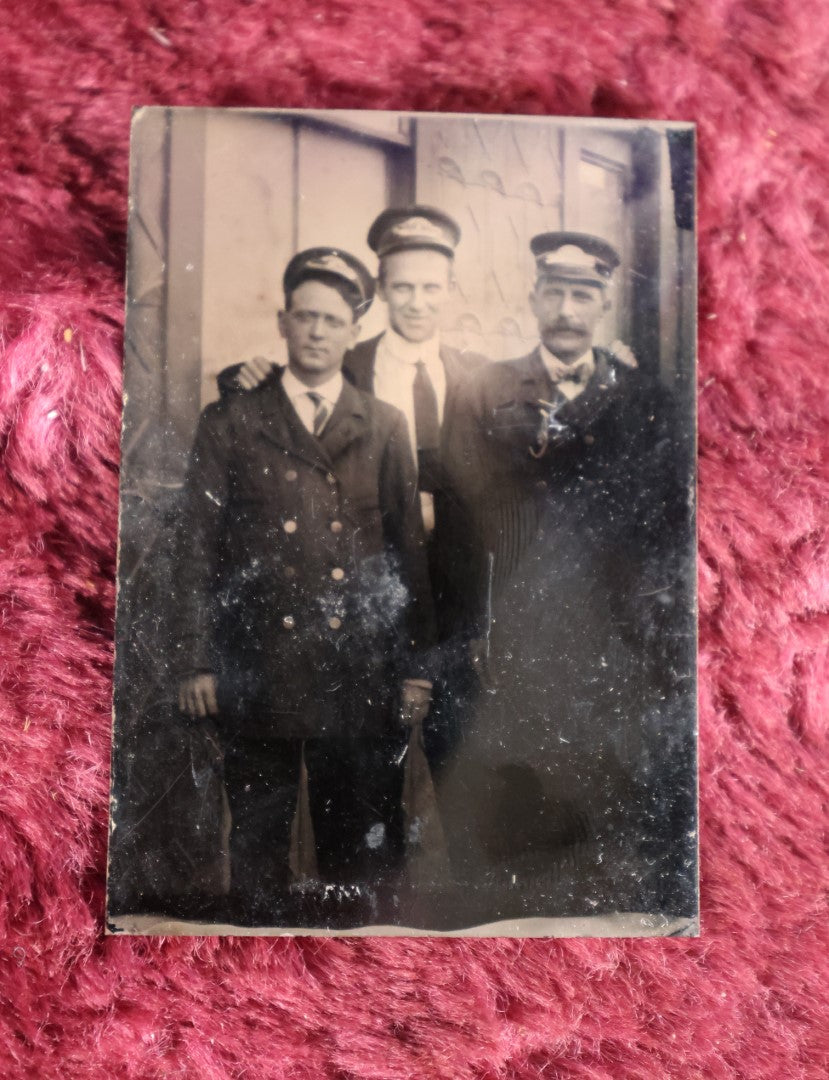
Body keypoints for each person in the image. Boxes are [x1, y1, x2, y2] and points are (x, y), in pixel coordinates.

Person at [174, 247, 435, 925]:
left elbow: (407, 559)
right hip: (259, 666)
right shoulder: (230, 421)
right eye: (305, 317)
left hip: (357, 672)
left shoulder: (382, 426)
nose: (317, 332)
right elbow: (195, 548)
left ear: (353, 330)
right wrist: (198, 659)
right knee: (258, 836)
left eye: (332, 320)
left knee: (356, 841)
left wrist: (413, 670)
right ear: (284, 323)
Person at [436, 232, 692, 920]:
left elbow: (665, 525)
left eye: (583, 294)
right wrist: (472, 627)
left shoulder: (644, 400)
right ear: (533, 297)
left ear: (603, 304)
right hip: (516, 627)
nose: (567, 309)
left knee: (601, 788)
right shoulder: (486, 387)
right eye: (554, 291)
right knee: (512, 786)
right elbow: (461, 525)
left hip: (608, 633)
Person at [222, 208, 490, 773]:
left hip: (458, 600)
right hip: (373, 593)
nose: (417, 302)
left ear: (451, 290)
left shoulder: (488, 378)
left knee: (460, 766)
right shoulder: (347, 360)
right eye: (402, 288)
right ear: (382, 291)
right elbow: (289, 401)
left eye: (431, 288)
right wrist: (244, 375)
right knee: (363, 769)